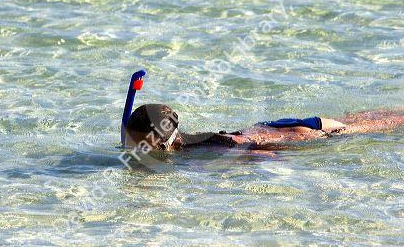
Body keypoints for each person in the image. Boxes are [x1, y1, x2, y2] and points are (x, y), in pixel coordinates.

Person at [123, 104, 404, 152]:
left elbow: (237, 143)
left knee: (376, 126)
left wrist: (267, 156)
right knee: (368, 118)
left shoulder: (203, 147)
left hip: (301, 133)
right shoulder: (188, 141)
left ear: (159, 143)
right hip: (274, 125)